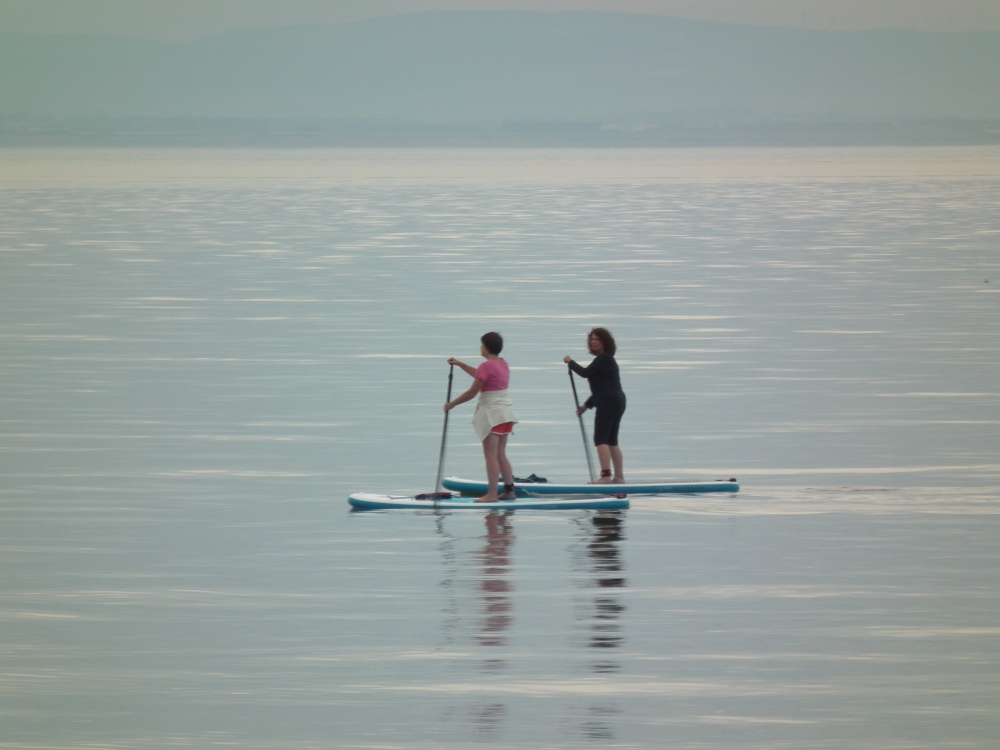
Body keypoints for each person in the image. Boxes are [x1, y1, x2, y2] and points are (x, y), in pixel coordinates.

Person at [445, 332, 518, 502]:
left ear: (486, 347)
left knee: (490, 455)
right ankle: (509, 491)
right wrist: (461, 365)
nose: (480, 347)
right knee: (501, 454)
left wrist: (452, 404)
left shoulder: (486, 366)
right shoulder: (502, 363)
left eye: (482, 345)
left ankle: (492, 494)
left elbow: (472, 392)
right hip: (506, 414)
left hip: (492, 415)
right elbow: (480, 374)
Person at [563, 327, 626, 484]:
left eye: (597, 339)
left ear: (605, 342)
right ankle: (619, 477)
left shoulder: (604, 358)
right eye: (591, 339)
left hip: (608, 401)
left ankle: (605, 476)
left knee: (600, 439)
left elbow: (585, 373)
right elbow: (601, 389)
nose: (593, 342)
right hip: (617, 400)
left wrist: (571, 362)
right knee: (611, 440)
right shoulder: (605, 360)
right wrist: (586, 406)